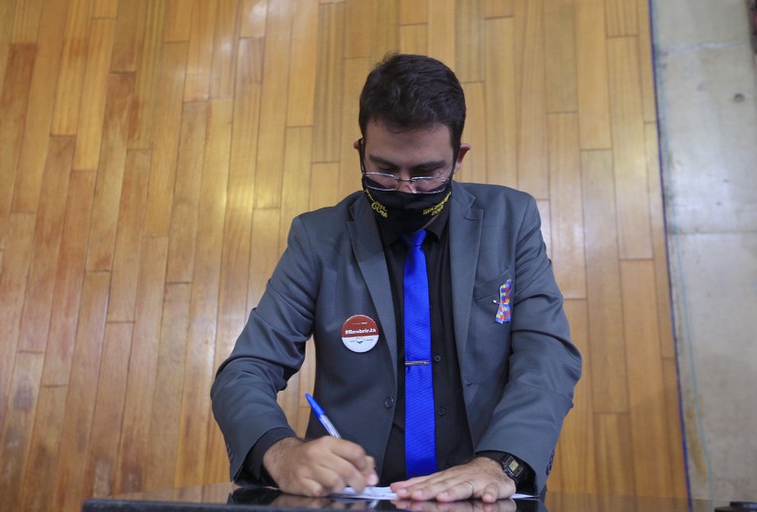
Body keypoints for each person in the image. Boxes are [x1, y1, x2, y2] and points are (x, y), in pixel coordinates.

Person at [211, 53, 581, 503]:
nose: (405, 190)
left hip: (482, 495)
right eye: (385, 170)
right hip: (353, 498)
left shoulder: (510, 219)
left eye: (426, 173)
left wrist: (501, 462)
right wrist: (280, 451)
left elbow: (547, 357)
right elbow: (246, 370)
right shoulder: (318, 238)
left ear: (458, 158)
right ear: (360, 150)